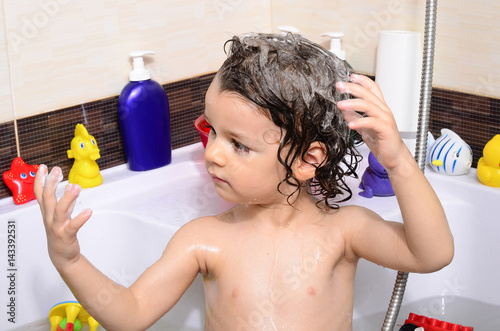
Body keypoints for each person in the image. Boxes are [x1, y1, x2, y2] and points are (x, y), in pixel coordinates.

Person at [35, 33, 454, 331]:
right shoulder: (203, 240)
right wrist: (69, 259)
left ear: (308, 160)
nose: (212, 152)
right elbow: (130, 315)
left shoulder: (344, 232)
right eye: (212, 130)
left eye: (238, 144)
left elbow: (432, 254)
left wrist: (397, 160)